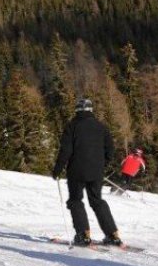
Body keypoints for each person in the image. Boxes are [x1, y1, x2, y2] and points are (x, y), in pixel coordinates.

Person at [52, 98, 123, 247]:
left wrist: (57, 169)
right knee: (97, 201)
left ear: (77, 110)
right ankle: (113, 235)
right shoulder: (101, 127)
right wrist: (102, 164)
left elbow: (66, 150)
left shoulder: (72, 126)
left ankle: (83, 235)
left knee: (75, 200)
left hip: (76, 170)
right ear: (91, 110)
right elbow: (110, 150)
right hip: (96, 171)